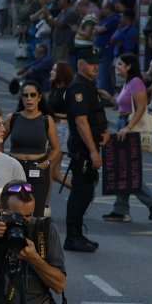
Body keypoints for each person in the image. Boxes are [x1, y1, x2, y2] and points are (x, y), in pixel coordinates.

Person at [105, 54, 152, 222]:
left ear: (129, 66)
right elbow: (122, 104)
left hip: (131, 127)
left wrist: (128, 128)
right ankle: (121, 209)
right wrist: (107, 97)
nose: (117, 68)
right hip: (123, 123)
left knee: (126, 172)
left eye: (120, 65)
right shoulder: (128, 83)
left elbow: (142, 107)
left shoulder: (136, 82)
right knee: (123, 170)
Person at [63, 49, 108, 253]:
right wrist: (93, 151)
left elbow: (93, 117)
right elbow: (81, 122)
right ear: (80, 64)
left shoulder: (89, 86)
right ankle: (72, 237)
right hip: (83, 149)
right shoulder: (79, 87)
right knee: (81, 192)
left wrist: (103, 132)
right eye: (90, 62)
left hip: (89, 146)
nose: (95, 66)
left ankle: (78, 234)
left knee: (86, 190)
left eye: (96, 62)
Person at [5, 80, 62, 217]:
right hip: (15, 169)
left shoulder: (46, 120)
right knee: (12, 211)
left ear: (39, 97)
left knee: (36, 214)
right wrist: (4, 160)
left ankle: (34, 238)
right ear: (21, 98)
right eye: (26, 95)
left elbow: (56, 149)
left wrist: (46, 163)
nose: (29, 99)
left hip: (38, 170)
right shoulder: (12, 118)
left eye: (33, 95)